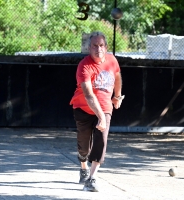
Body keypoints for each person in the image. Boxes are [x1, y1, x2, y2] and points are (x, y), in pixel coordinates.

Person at [69, 31, 124, 192]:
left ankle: (92, 178)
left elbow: (117, 76)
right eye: (94, 45)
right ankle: (83, 166)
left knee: (101, 140)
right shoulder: (84, 66)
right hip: (83, 108)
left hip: (106, 107)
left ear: (106, 47)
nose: (98, 49)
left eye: (101, 45)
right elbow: (88, 95)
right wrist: (100, 116)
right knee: (84, 146)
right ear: (89, 47)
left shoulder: (112, 60)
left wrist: (117, 96)